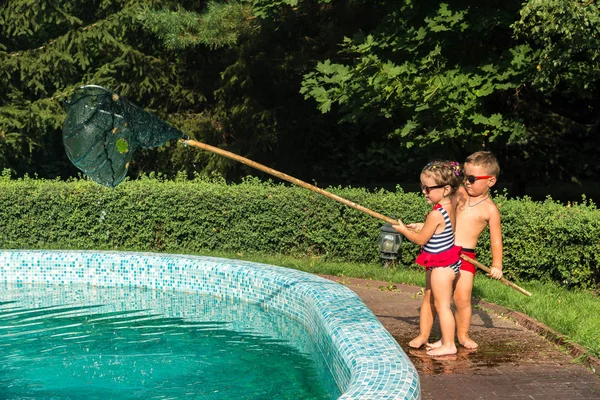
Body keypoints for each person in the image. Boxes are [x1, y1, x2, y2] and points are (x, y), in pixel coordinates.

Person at [409, 151, 503, 351]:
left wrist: (497, 265)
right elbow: (441, 214)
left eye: (472, 178)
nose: (467, 182)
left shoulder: (490, 209)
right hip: (443, 249)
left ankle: (462, 334)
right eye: (464, 177)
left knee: (462, 298)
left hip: (466, 255)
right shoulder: (458, 194)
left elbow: (496, 240)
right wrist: (423, 226)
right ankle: (423, 334)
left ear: (491, 181)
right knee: (430, 294)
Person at [393, 160, 463, 356]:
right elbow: (439, 230)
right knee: (435, 300)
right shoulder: (449, 205)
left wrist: (403, 230)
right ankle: (443, 339)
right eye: (422, 187)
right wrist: (418, 224)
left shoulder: (436, 214)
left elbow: (421, 239)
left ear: (446, 189)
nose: (424, 192)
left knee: (442, 306)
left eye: (428, 188)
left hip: (442, 266)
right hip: (445, 261)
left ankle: (449, 345)